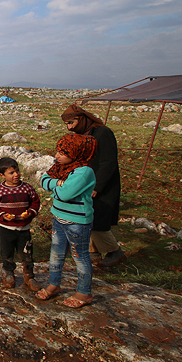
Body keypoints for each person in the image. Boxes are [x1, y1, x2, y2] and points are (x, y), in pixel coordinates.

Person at [37, 132, 97, 309]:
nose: (56, 156)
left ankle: (84, 292)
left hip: (77, 223)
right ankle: (54, 284)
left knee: (80, 256)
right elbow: (43, 180)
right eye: (57, 151)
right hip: (59, 218)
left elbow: (65, 194)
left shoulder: (84, 172)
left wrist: (56, 186)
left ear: (77, 153)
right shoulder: (61, 168)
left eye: (61, 153)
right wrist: (59, 183)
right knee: (56, 254)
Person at [61, 104, 126, 267]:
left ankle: (115, 252)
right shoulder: (84, 135)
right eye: (67, 125)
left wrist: (97, 186)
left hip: (102, 185)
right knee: (86, 216)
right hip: (87, 184)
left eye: (72, 123)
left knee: (97, 220)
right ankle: (92, 253)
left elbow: (108, 163)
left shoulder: (103, 133)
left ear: (82, 119)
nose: (69, 128)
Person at [0, 157, 41, 291]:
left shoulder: (27, 188)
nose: (16, 174)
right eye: (11, 173)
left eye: (17, 171)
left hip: (24, 228)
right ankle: (9, 273)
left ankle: (29, 275)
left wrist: (31, 212)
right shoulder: (0, 190)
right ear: (2, 175)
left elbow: (35, 201)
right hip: (6, 228)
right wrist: (2, 215)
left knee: (27, 253)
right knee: (7, 252)